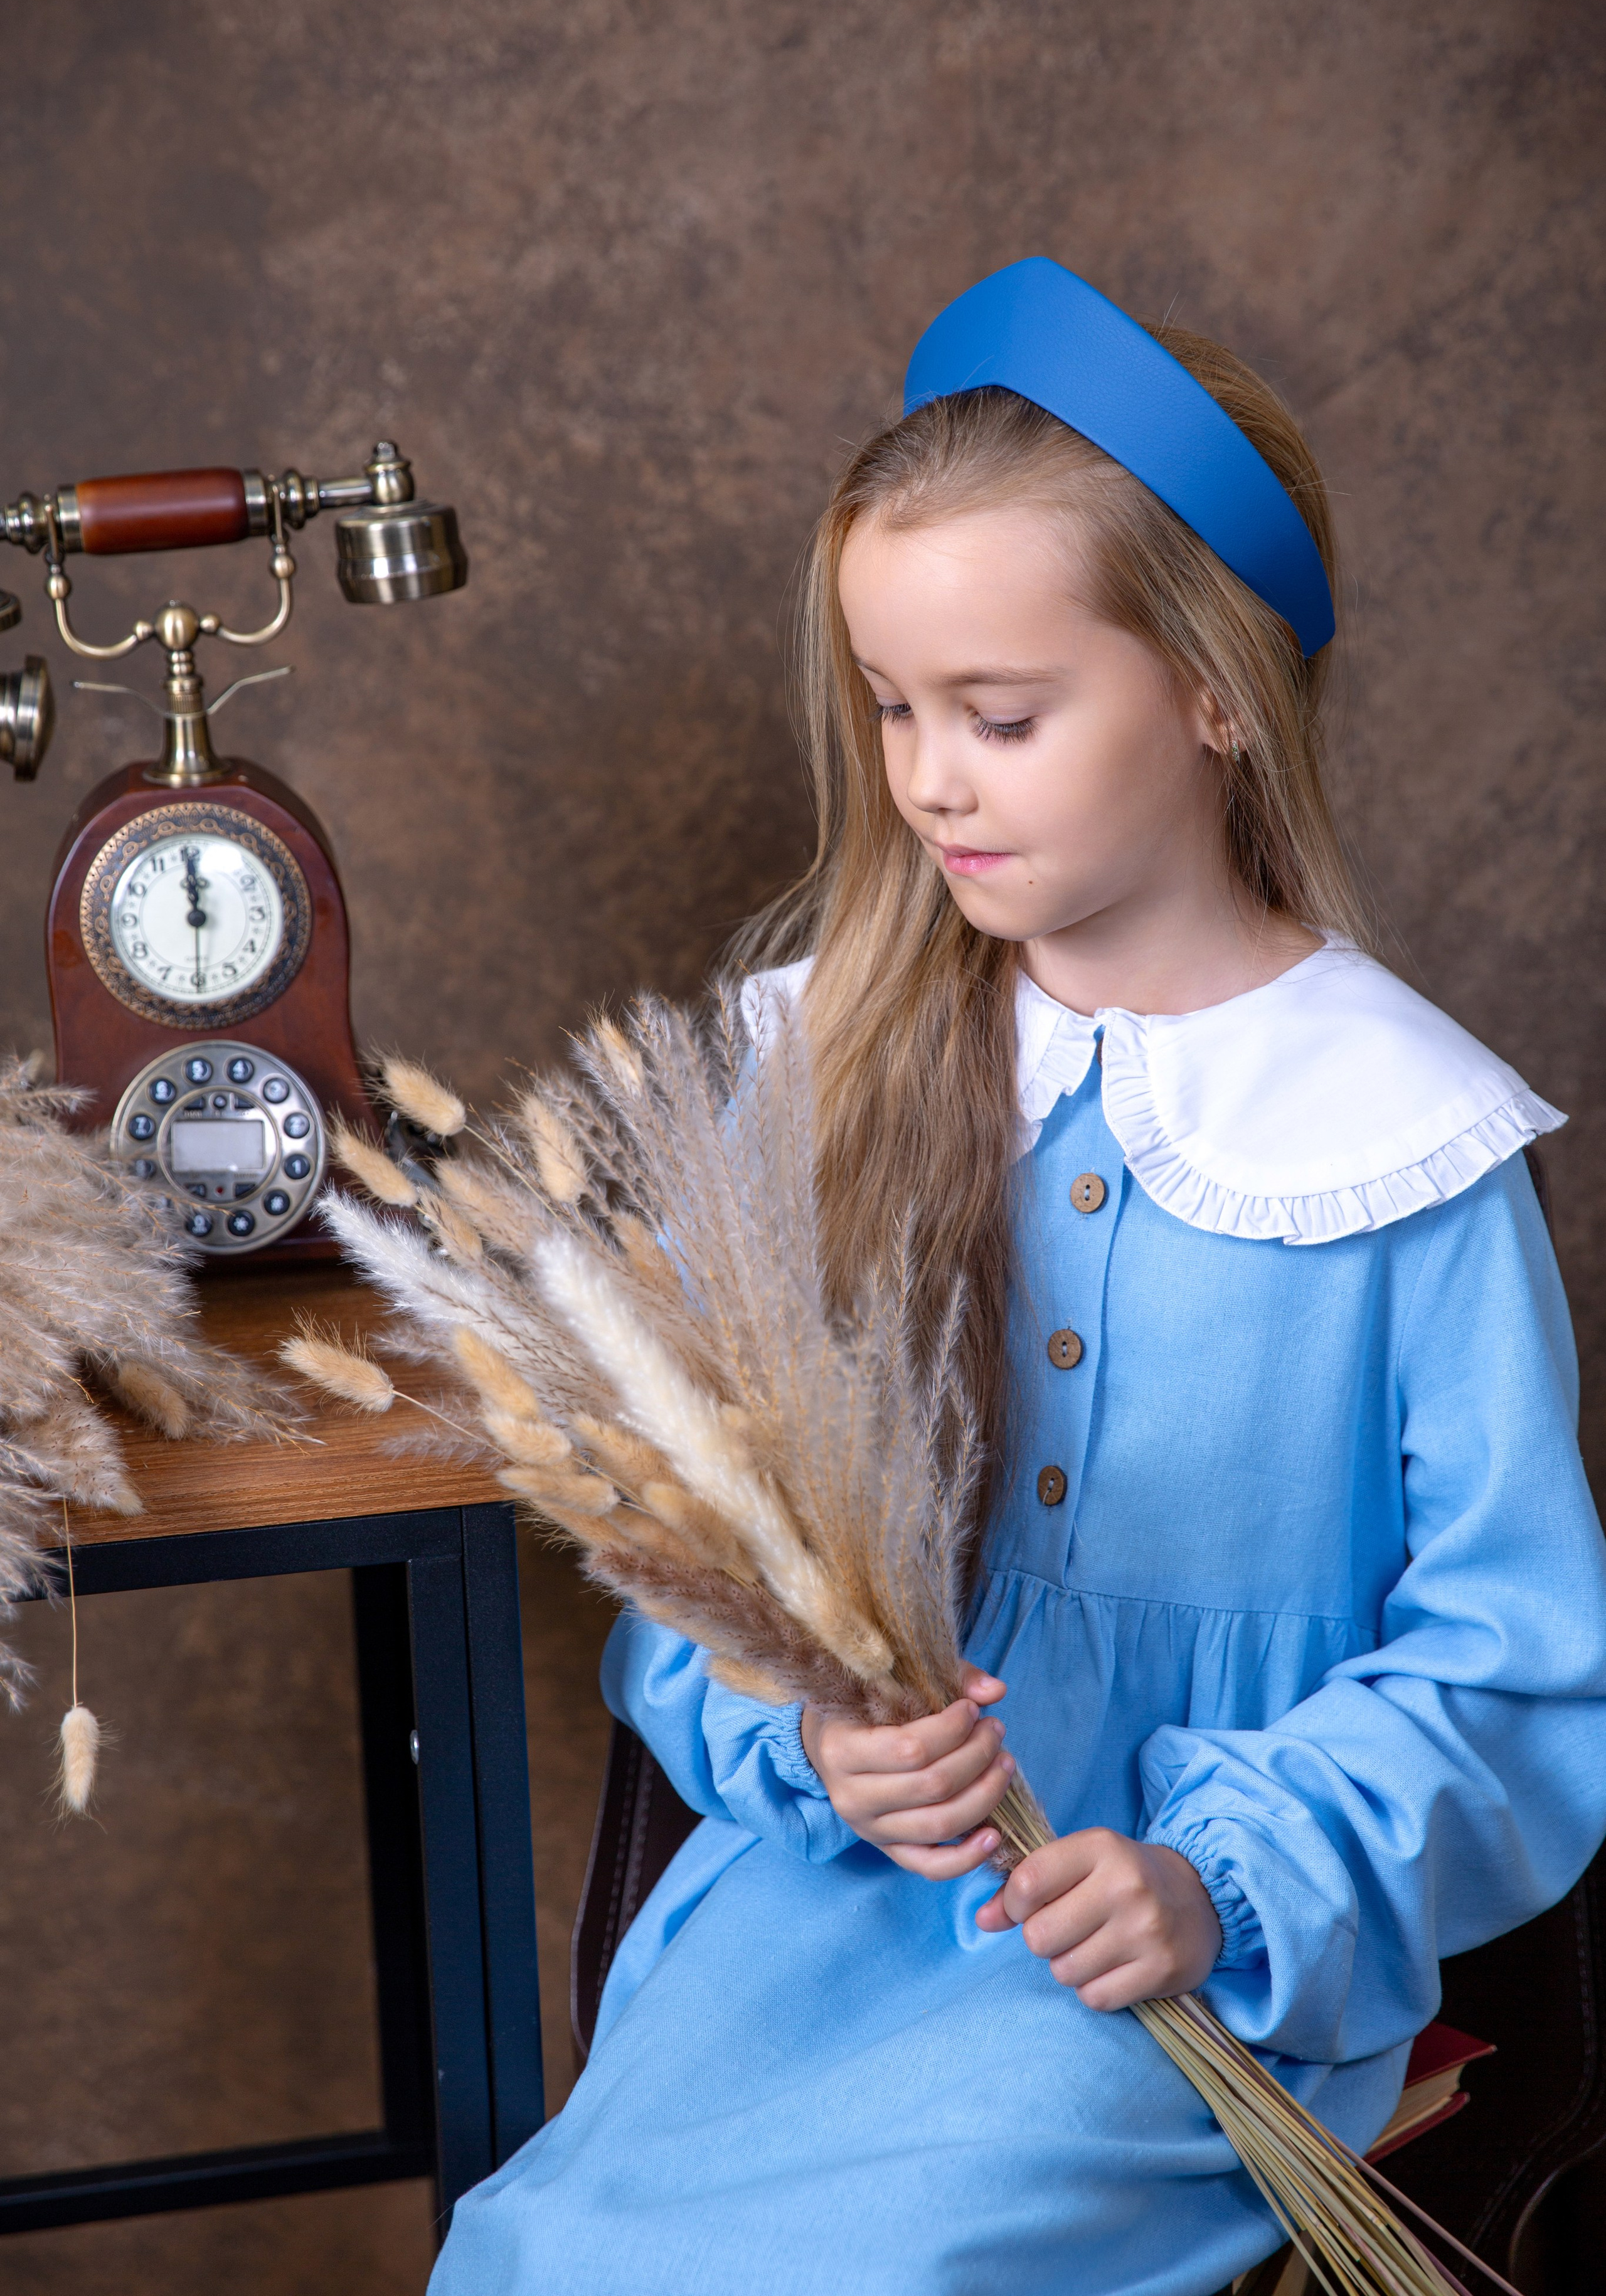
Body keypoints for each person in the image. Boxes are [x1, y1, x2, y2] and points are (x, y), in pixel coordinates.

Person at [431, 260, 1606, 2294]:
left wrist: (1222, 1880)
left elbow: (1516, 1676)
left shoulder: (1403, 1144)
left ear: (1217, 693)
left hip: (1155, 1970)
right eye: (892, 710)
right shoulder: (830, 1069)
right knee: (546, 2255)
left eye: (1001, 715)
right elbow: (700, 1574)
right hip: (820, 1916)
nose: (927, 779)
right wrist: (810, 1744)